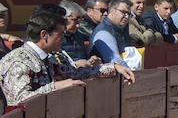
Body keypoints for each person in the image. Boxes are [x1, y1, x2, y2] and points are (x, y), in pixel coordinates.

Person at [0, 11, 133, 107]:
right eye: (60, 34)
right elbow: (18, 101)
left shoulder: (46, 59)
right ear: (44, 35)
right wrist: (56, 86)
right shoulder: (19, 62)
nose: (64, 39)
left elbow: (76, 73)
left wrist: (113, 67)